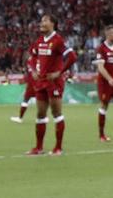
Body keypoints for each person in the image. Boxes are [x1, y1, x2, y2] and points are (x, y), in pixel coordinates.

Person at [25, 14, 76, 156]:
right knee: (40, 113)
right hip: (41, 81)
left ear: (53, 24)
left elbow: (72, 56)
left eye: (45, 20)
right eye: (41, 20)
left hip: (54, 82)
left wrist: (60, 72)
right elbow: (31, 58)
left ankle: (58, 147)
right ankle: (38, 147)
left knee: (56, 113)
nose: (42, 23)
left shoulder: (58, 40)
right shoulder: (39, 41)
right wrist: (34, 70)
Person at [10, 53, 35, 123]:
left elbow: (29, 73)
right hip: (40, 82)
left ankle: (20, 118)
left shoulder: (30, 61)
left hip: (32, 83)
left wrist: (26, 79)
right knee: (42, 99)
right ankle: (44, 117)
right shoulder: (40, 59)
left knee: (26, 99)